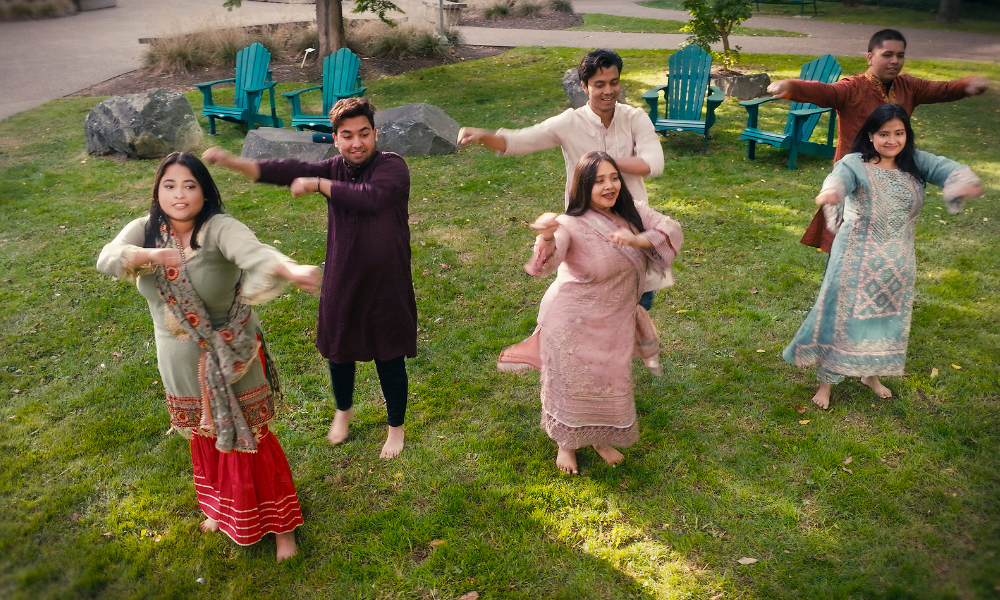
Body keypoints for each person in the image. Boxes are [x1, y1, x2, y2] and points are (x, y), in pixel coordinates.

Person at [97, 152, 320, 562]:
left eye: (189, 185)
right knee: (204, 438)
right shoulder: (145, 230)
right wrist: (147, 256)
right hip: (178, 360)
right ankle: (221, 508)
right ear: (157, 190)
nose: (179, 195)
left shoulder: (219, 228)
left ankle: (282, 527)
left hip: (233, 356)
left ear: (204, 190)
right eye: (169, 185)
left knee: (250, 439)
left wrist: (290, 270)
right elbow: (106, 258)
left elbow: (256, 253)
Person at [202, 97, 417, 460]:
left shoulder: (392, 167)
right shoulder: (335, 167)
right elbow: (284, 169)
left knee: (390, 357)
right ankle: (343, 411)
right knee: (339, 352)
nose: (356, 143)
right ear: (336, 139)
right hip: (343, 276)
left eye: (364, 133)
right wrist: (232, 162)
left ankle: (395, 427)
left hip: (387, 281)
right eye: (347, 136)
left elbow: (372, 198)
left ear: (375, 133)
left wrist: (319, 184)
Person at [782, 104, 982, 410]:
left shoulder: (913, 161)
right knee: (843, 318)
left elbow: (948, 169)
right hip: (855, 258)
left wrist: (964, 182)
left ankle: (870, 375)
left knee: (886, 319)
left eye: (899, 133)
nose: (892, 140)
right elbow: (838, 180)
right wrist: (832, 193)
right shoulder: (855, 163)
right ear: (870, 135)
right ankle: (826, 382)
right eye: (884, 133)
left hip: (897, 258)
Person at [497, 151, 683, 474]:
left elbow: (671, 229)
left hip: (614, 320)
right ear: (583, 186)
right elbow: (546, 264)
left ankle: (600, 439)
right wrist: (545, 235)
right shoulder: (570, 224)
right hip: (572, 321)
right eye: (599, 181)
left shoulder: (633, 212)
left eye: (614, 178)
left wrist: (638, 240)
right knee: (572, 384)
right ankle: (566, 445)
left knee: (609, 381)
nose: (609, 186)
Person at [457, 48, 666, 310]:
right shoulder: (569, 122)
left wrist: (603, 164)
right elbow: (521, 139)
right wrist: (484, 136)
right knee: (587, 315)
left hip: (632, 228)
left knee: (636, 314)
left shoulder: (635, 118)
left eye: (614, 83)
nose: (608, 91)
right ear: (584, 86)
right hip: (585, 233)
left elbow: (654, 163)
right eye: (598, 85)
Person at [767, 28, 990, 252]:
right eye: (887, 54)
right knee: (846, 248)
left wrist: (966, 85)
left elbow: (942, 90)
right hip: (854, 178)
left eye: (900, 55)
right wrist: (790, 87)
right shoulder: (852, 88)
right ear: (870, 57)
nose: (895, 61)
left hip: (893, 177)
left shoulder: (909, 86)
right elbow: (826, 92)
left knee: (884, 246)